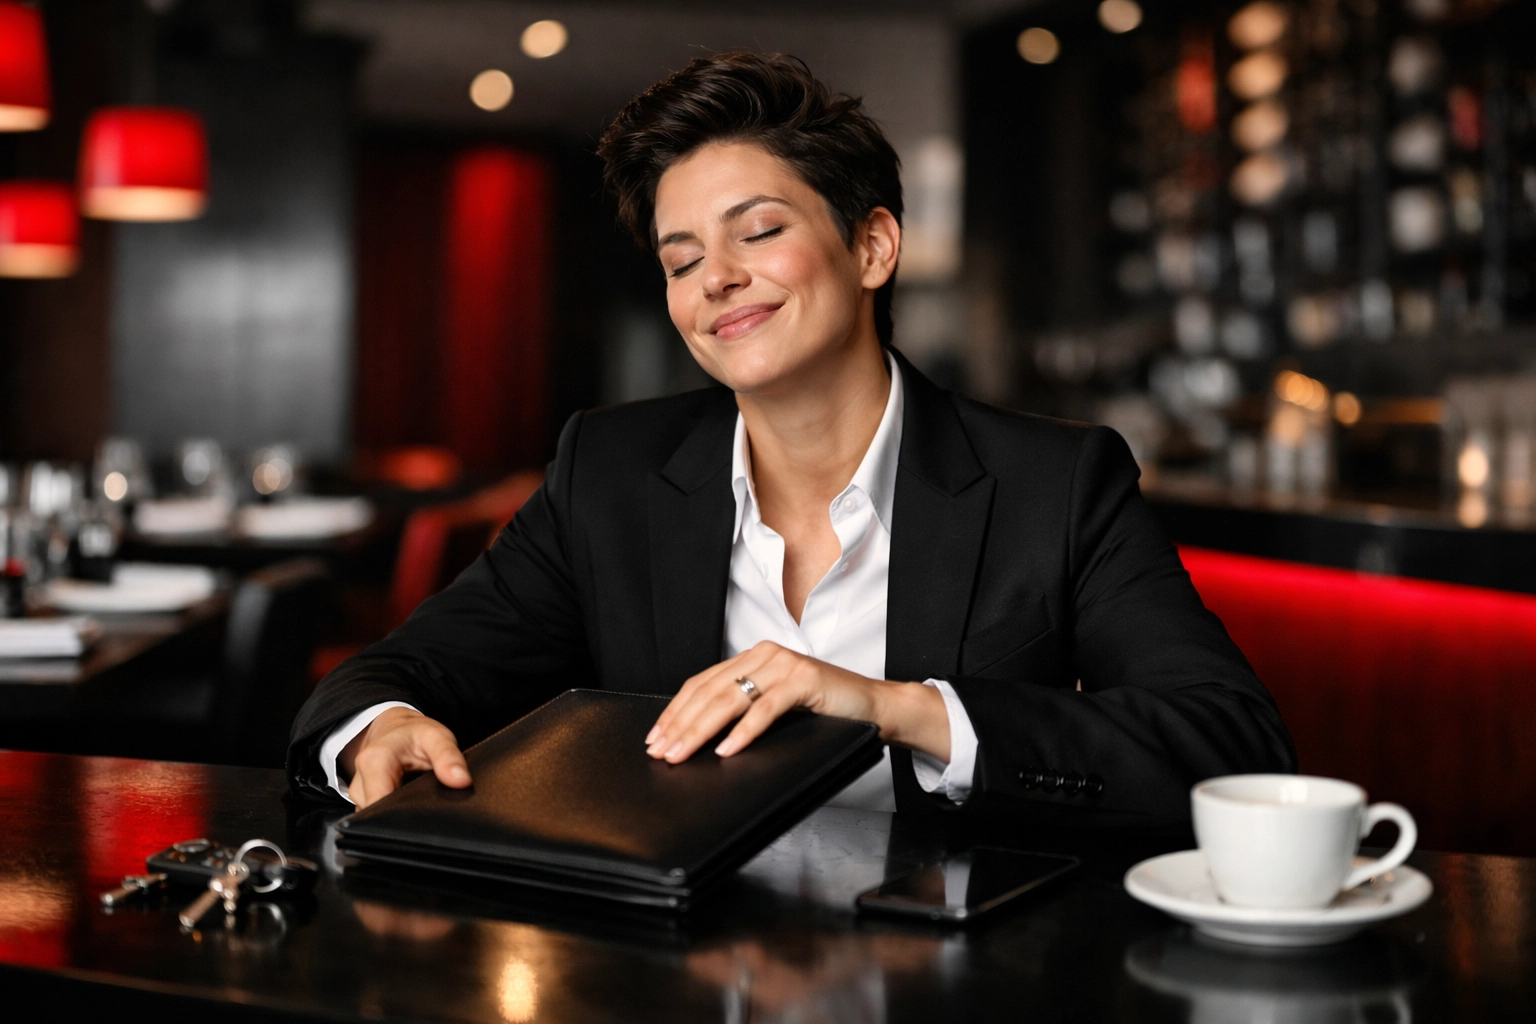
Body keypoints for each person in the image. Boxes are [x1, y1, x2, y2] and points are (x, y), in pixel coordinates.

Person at [288, 52, 1295, 825]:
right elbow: (388, 675)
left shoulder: (1055, 481)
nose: (713, 276)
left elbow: (1231, 746)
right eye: (682, 258)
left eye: (757, 230)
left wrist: (895, 707)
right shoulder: (612, 471)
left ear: (872, 246)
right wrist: (387, 728)